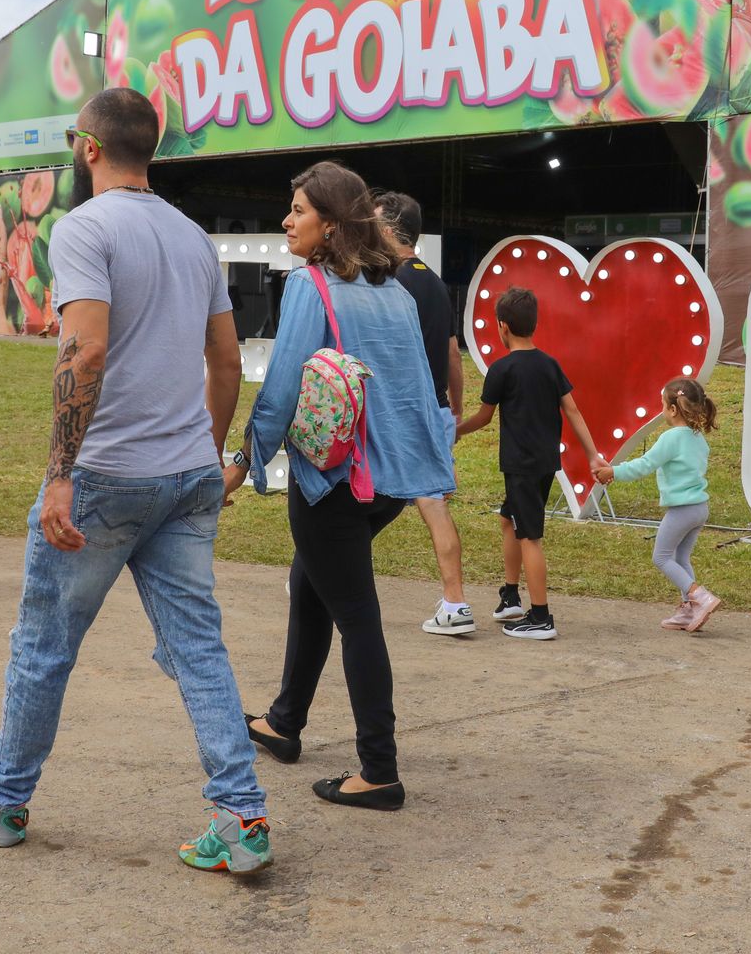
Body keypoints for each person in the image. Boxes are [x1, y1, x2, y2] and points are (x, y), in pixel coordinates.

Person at [0, 88, 272, 875]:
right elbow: (225, 362)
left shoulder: (85, 226)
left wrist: (59, 476)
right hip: (185, 474)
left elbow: (84, 352)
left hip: (106, 477)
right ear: (150, 148)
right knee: (199, 648)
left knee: (44, 645)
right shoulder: (190, 237)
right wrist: (205, 457)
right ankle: (243, 818)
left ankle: (2, 800)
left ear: (87, 147)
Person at [234, 161, 454, 812]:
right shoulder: (392, 290)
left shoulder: (312, 287)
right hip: (390, 480)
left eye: (297, 210)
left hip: (334, 480)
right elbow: (418, 386)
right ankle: (283, 722)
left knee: (356, 615)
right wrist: (426, 468)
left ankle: (378, 770)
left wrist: (243, 463)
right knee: (312, 586)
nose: (286, 220)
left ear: (328, 226)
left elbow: (280, 393)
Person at [456, 287, 604, 641]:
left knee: (530, 537)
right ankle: (510, 596)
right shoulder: (550, 364)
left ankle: (540, 617)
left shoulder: (502, 369)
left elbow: (484, 417)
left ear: (502, 326)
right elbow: (573, 411)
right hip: (543, 463)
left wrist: (455, 432)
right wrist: (593, 453)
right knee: (509, 520)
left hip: (521, 465)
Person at [373, 190, 473, 636]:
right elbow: (453, 355)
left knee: (349, 499)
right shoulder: (433, 283)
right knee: (434, 507)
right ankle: (456, 602)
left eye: (372, 223)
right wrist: (454, 409)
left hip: (395, 414)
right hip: (432, 411)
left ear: (390, 230)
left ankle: (314, 577)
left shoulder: (386, 284)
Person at [595, 377, 723, 631]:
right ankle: (689, 610)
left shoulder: (671, 438)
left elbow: (644, 465)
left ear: (673, 410)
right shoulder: (698, 438)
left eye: (663, 405)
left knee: (661, 557)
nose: (662, 410)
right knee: (681, 557)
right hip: (699, 509)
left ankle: (699, 596)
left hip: (682, 511)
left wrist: (613, 472)